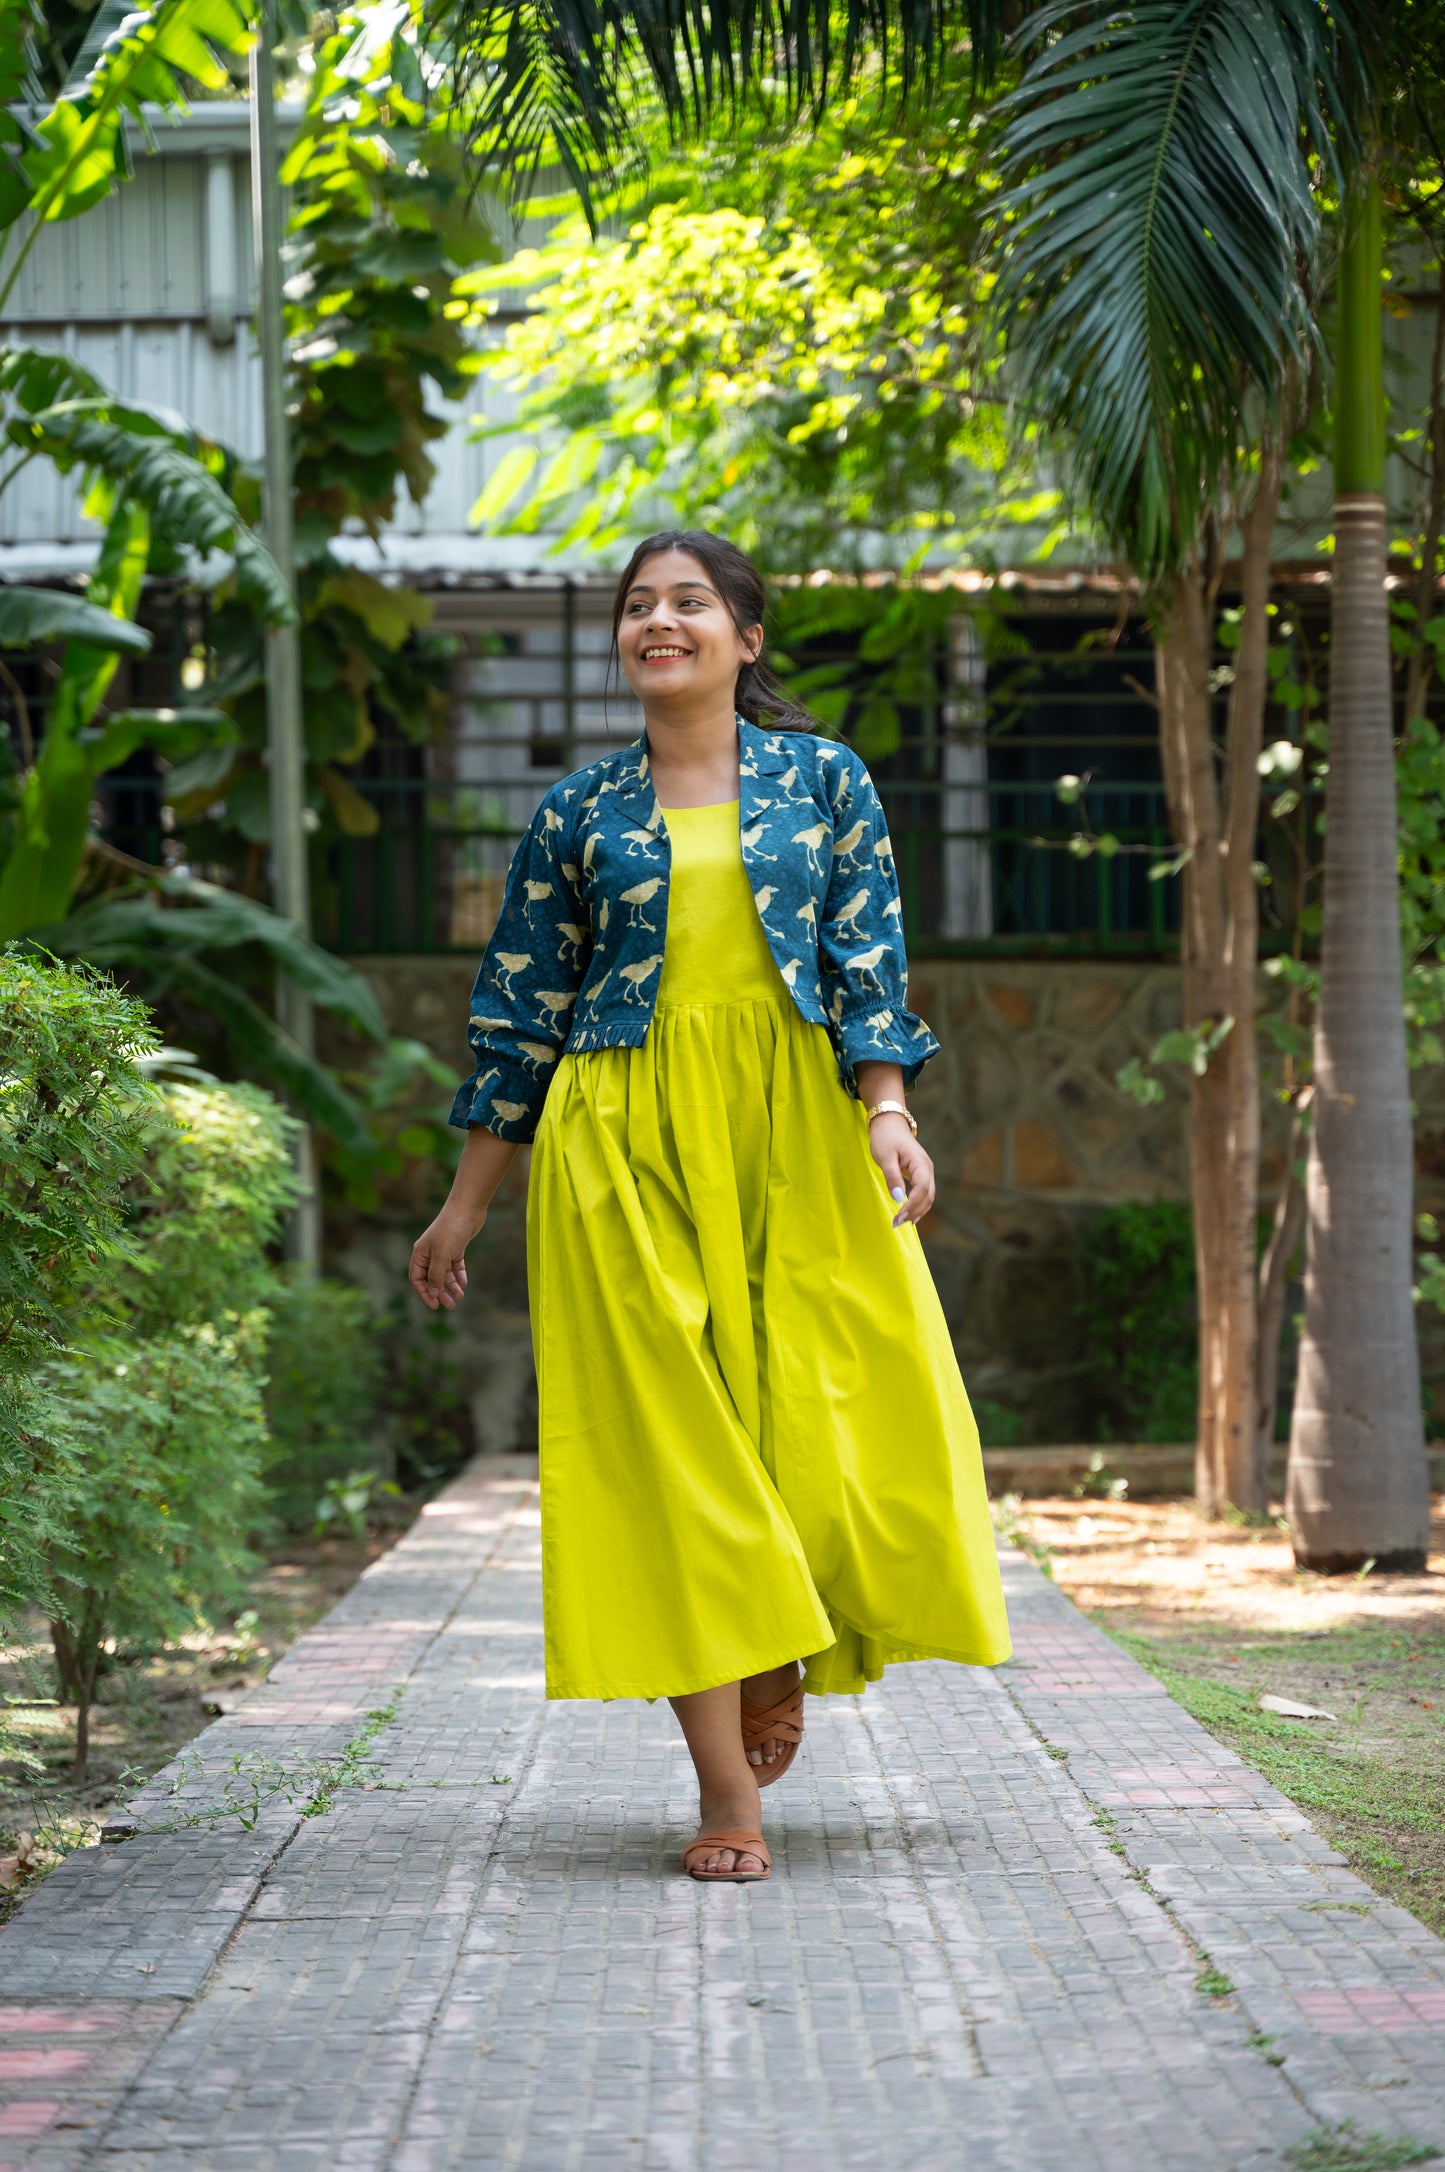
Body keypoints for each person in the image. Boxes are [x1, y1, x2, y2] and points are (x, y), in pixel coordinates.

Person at [410, 530, 1011, 1884]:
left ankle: (776, 1631)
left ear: (746, 638)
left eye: (689, 602)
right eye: (638, 606)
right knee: (668, 1449)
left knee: (830, 1412)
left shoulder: (824, 782)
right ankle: (724, 1785)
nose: (658, 621)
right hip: (616, 1141)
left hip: (794, 1129)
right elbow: (520, 1015)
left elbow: (869, 964)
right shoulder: (577, 815)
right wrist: (463, 1209)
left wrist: (889, 1111)